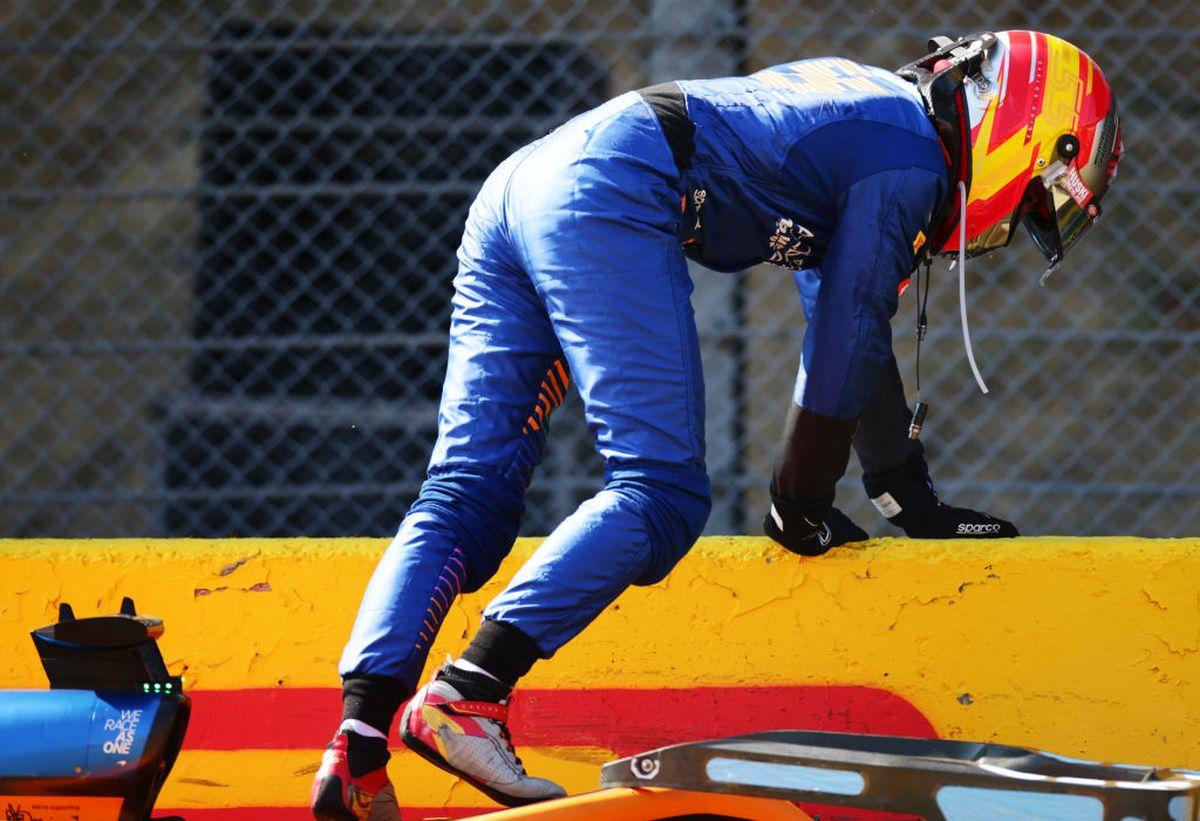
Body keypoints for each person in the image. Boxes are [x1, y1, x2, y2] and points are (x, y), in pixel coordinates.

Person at [311, 30, 1123, 819]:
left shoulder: (875, 111)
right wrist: (797, 499)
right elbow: (847, 331)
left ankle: (356, 743)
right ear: (1027, 129)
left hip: (525, 183)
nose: (1016, 219)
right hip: (612, 185)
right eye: (1041, 194)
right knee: (660, 494)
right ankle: (471, 693)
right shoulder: (912, 158)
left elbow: (848, 315)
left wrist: (902, 493)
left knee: (468, 498)